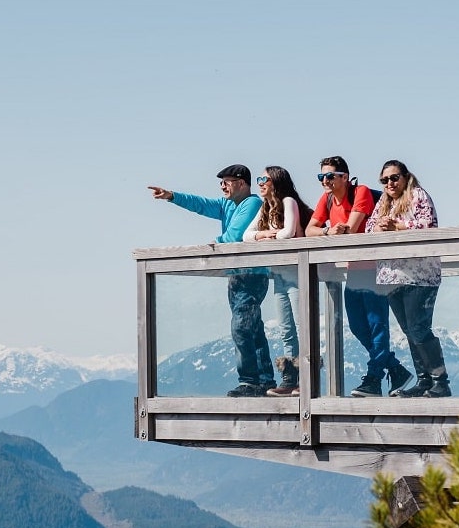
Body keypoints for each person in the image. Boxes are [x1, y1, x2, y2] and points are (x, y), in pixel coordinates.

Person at [148, 165, 274, 396]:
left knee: (241, 327)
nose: (222, 186)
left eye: (227, 181)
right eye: (221, 182)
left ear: (242, 183)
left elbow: (235, 235)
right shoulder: (227, 204)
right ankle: (264, 380)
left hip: (253, 274)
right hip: (236, 276)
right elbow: (201, 205)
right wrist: (172, 197)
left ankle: (250, 381)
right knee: (253, 328)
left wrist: (213, 244)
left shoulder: (253, 203)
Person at [305, 155, 412, 398]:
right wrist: (327, 231)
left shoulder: (361, 191)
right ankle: (395, 369)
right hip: (354, 268)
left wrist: (332, 232)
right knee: (356, 325)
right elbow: (311, 230)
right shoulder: (327, 199)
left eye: (330, 176)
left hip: (376, 267)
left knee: (376, 325)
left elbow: (351, 230)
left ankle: (374, 378)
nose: (325, 181)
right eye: (321, 177)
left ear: (344, 176)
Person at [365, 159, 451, 398]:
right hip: (390, 276)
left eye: (394, 178)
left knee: (419, 328)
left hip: (419, 276)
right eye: (384, 180)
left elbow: (429, 225)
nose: (389, 183)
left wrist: (399, 226)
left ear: (405, 176)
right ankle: (424, 380)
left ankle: (440, 381)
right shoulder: (384, 202)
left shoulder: (418, 195)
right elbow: (369, 227)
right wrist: (381, 226)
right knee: (409, 331)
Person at [243, 165, 312, 396]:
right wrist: (264, 234)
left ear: (276, 181)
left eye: (265, 179)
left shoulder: (288, 202)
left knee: (303, 327)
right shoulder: (265, 208)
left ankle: (307, 379)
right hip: (280, 274)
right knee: (286, 329)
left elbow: (288, 232)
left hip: (297, 271)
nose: (261, 183)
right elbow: (247, 235)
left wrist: (268, 235)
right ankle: (288, 379)